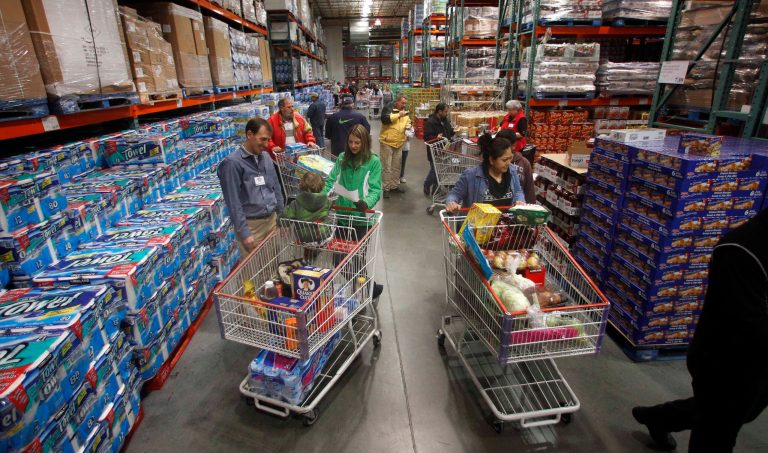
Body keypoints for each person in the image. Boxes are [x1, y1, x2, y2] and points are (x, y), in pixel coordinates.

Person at [631, 208, 768, 452]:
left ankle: (660, 417)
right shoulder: (740, 250)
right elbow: (747, 329)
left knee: (741, 412)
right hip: (726, 363)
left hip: (755, 366)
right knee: (718, 429)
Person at [322, 124, 384, 298]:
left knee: (356, 258)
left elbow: (375, 189)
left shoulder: (373, 161)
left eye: (358, 142)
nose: (353, 146)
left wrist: (367, 203)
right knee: (339, 259)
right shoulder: (342, 158)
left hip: (362, 219)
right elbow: (330, 181)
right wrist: (321, 198)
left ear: (365, 142)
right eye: (350, 142)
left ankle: (363, 291)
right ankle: (370, 287)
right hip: (342, 216)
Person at [217, 118, 284, 258]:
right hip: (252, 226)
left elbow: (276, 187)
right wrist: (245, 233)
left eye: (268, 140)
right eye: (263, 139)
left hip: (271, 221)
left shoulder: (265, 157)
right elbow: (233, 201)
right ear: (249, 134)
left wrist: (281, 218)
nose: (266, 144)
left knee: (272, 266)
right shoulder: (232, 163)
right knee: (252, 272)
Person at [445, 133, 525, 212]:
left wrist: (520, 201)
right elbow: (454, 194)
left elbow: (518, 191)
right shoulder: (471, 175)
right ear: (491, 160)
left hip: (504, 223)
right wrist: (452, 203)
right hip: (477, 224)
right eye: (504, 160)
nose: (508, 163)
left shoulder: (512, 171)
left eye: (510, 158)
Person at [281, 172, 332, 246]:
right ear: (321, 186)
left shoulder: (296, 203)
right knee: (328, 224)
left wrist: (282, 224)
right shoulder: (326, 201)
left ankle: (311, 253)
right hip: (323, 237)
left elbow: (286, 216)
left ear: (302, 184)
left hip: (304, 239)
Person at [379, 94, 411, 198]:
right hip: (387, 142)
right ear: (397, 102)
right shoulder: (388, 108)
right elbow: (384, 119)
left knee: (396, 167)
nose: (404, 105)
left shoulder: (405, 112)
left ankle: (394, 186)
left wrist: (409, 129)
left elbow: (408, 122)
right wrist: (398, 115)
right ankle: (386, 188)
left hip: (399, 143)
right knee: (387, 167)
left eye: (405, 103)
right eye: (402, 103)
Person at [494, 128, 535, 204]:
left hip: (515, 208)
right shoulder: (491, 164)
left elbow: (528, 190)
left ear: (514, 146)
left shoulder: (524, 163)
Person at [423, 102, 455, 196]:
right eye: (445, 111)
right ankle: (427, 184)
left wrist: (453, 131)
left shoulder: (444, 120)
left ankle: (435, 190)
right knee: (435, 170)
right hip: (435, 150)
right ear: (439, 111)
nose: (446, 113)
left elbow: (448, 131)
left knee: (440, 170)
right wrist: (436, 137)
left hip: (445, 149)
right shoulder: (431, 122)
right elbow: (427, 137)